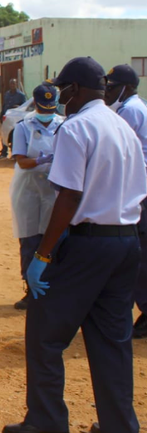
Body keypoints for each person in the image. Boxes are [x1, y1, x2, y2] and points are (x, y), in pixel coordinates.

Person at [3, 57, 147, 433]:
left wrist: (42, 253)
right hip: (125, 242)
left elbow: (68, 197)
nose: (60, 97)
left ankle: (46, 422)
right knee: (112, 342)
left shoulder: (77, 128)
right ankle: (119, 426)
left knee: (45, 334)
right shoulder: (122, 126)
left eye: (62, 89)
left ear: (74, 90)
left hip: (88, 245)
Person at [8, 83, 62, 310]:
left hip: (54, 189)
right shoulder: (24, 127)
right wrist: (41, 160)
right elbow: (21, 160)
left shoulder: (65, 126)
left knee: (53, 238)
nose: (48, 111)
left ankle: (53, 288)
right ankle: (30, 289)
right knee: (30, 238)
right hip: (28, 188)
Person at [104, 64, 147, 339]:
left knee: (137, 252)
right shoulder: (136, 106)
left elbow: (123, 152)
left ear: (127, 87)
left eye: (112, 86)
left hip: (139, 186)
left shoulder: (130, 111)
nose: (108, 91)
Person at [0, 78, 27, 159]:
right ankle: (4, 152)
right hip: (6, 116)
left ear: (16, 84)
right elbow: (4, 105)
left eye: (13, 84)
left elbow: (24, 107)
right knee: (4, 134)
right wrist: (1, 115)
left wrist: (17, 107)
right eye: (11, 84)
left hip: (15, 117)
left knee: (14, 135)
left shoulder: (21, 95)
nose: (12, 85)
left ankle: (14, 153)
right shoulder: (7, 94)